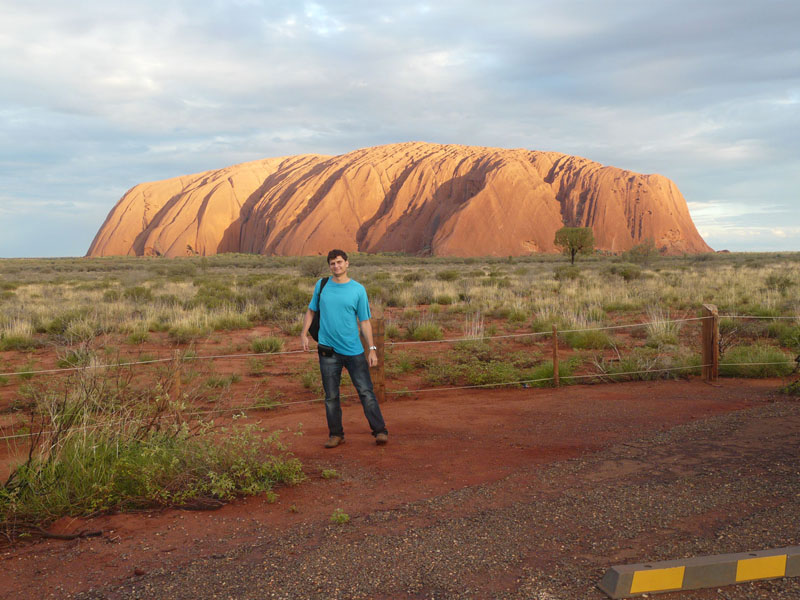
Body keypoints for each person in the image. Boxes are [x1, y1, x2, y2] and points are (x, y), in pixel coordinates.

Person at [300, 249, 388, 448]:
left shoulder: (358, 290)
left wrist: (372, 349)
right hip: (327, 351)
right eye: (332, 263)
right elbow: (311, 310)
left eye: (339, 262)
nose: (336, 266)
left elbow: (364, 322)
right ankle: (336, 434)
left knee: (366, 391)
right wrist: (303, 333)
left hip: (353, 350)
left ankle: (380, 431)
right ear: (329, 266)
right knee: (331, 396)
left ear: (347, 263)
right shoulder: (321, 286)